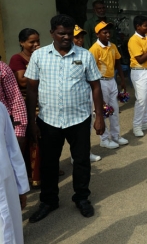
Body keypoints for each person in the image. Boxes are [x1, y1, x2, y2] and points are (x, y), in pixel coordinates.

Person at [25, 14, 105, 223]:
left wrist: (99, 117)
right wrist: (31, 122)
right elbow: (32, 90)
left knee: (81, 161)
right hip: (48, 120)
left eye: (69, 34)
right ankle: (49, 201)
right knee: (49, 163)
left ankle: (81, 197)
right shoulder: (39, 56)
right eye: (62, 33)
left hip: (78, 119)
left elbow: (95, 86)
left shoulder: (85, 55)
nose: (67, 37)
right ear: (52, 33)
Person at [0, 102, 29, 244]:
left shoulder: (0, 108)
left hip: (5, 184)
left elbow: (12, 147)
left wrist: (21, 187)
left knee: (9, 243)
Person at [89, 21, 129, 149]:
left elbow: (117, 63)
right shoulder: (94, 49)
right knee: (103, 111)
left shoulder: (112, 46)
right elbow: (91, 69)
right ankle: (104, 139)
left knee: (115, 110)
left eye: (108, 32)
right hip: (100, 82)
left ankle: (116, 136)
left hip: (111, 80)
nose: (108, 34)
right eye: (104, 32)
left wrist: (122, 80)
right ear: (97, 34)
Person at [10, 28, 41, 185]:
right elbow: (22, 81)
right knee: (31, 137)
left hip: (42, 101)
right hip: (26, 103)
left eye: (37, 41)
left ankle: (44, 169)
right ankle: (31, 175)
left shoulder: (41, 56)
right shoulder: (17, 58)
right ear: (22, 43)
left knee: (46, 137)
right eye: (31, 42)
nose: (36, 44)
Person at [73, 26, 102, 162]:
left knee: (86, 125)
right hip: (72, 97)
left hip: (86, 94)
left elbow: (94, 80)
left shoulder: (85, 54)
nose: (80, 40)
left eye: (81, 37)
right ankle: (75, 155)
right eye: (76, 37)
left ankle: (86, 152)